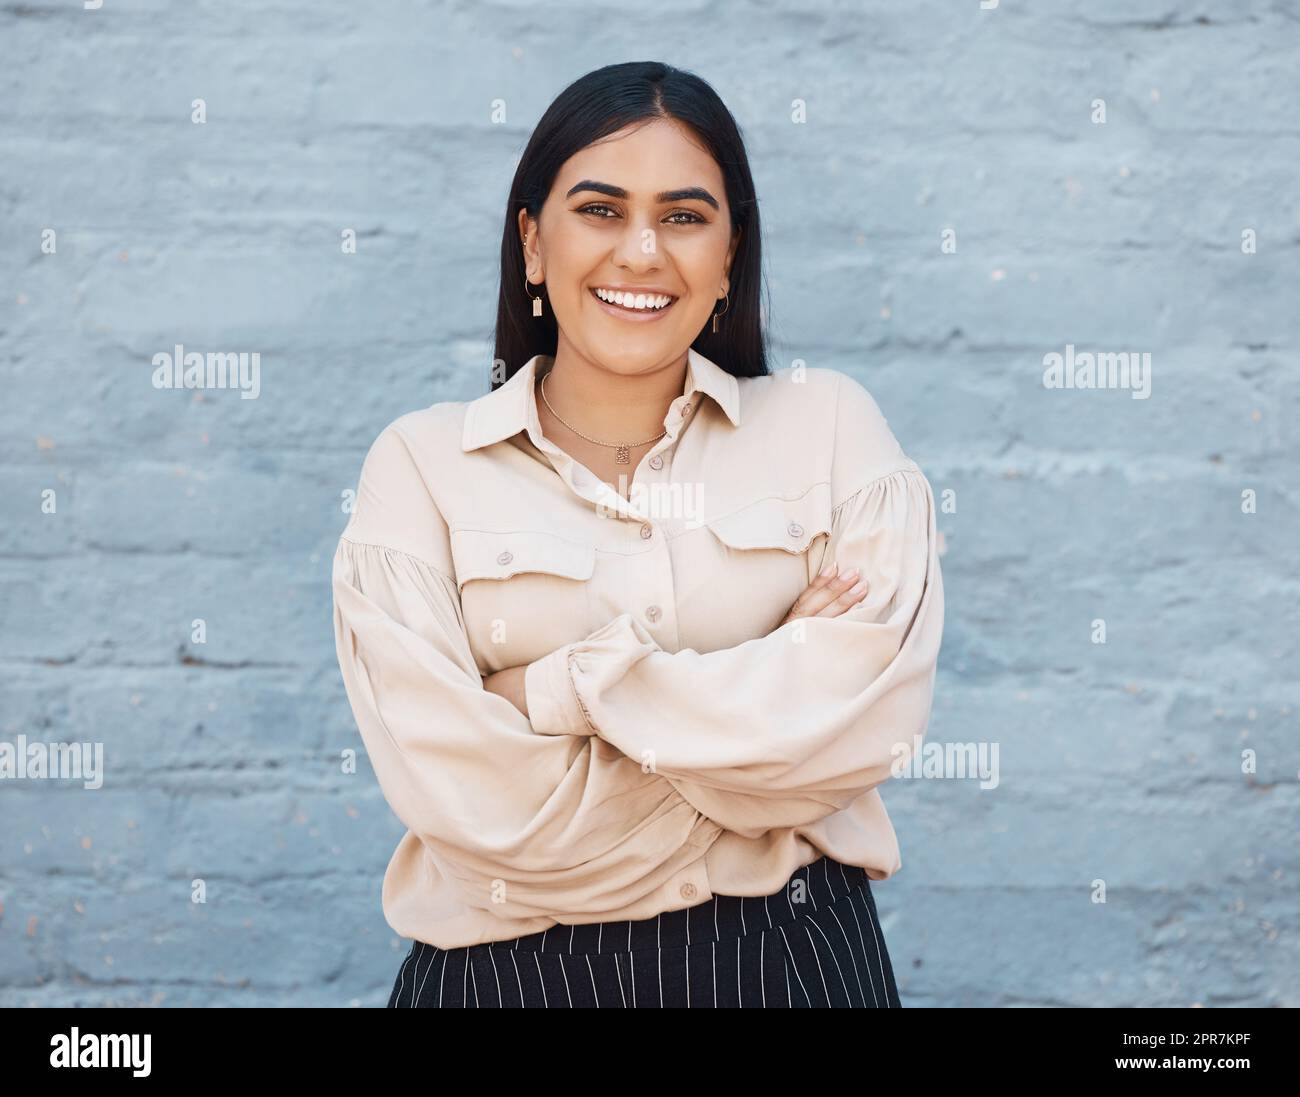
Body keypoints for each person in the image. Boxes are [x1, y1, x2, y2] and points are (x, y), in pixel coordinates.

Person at [331, 60, 944, 1008]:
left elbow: (860, 726)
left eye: (686, 216)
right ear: (533, 241)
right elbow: (471, 803)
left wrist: (549, 690)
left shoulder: (828, 428)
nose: (643, 251)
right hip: (504, 980)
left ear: (730, 253)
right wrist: (767, 716)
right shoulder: (419, 466)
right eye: (601, 210)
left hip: (787, 966)